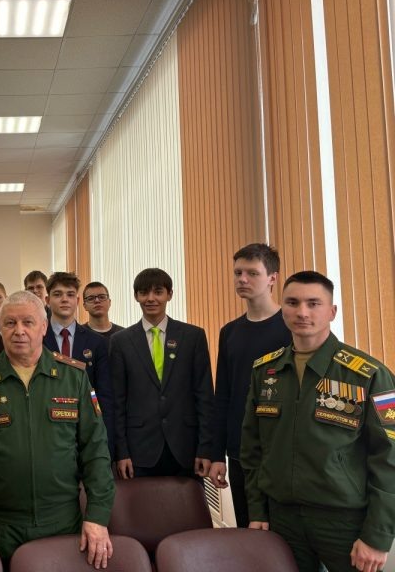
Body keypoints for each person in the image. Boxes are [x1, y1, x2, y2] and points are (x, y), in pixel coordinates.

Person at [241, 271, 395, 572]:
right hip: (282, 518)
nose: (302, 312)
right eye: (292, 303)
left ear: (332, 311)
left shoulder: (369, 375)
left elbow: (389, 458)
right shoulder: (265, 371)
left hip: (344, 521)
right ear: (282, 309)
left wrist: (377, 535)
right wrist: (257, 510)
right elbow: (252, 448)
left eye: (313, 303)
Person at [0, 291, 115, 568]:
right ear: (0, 329)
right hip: (1, 526)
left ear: (44, 327)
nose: (19, 331)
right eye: (10, 323)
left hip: (63, 521)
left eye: (28, 322)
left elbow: (95, 452)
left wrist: (97, 517)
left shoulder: (73, 377)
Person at [208, 244, 291, 527]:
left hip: (281, 447)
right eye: (238, 273)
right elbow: (223, 396)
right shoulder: (230, 332)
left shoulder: (291, 327)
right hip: (240, 450)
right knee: (249, 529)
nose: (242, 279)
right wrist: (217, 455)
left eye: (252, 273)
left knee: (284, 533)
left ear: (272, 278)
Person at [111, 268, 214, 479]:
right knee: (142, 502)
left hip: (186, 448)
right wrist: (122, 452)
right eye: (143, 293)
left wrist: (206, 448)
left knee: (188, 501)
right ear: (136, 296)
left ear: (170, 294)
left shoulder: (193, 337)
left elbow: (204, 396)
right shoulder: (121, 341)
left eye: (158, 292)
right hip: (139, 450)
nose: (151, 298)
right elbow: (117, 401)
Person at [43, 272, 115, 457]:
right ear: (47, 300)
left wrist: (108, 444)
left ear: (77, 300)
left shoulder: (96, 342)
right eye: (57, 294)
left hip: (86, 428)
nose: (64, 299)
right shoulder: (37, 339)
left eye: (70, 294)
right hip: (46, 427)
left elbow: (104, 395)